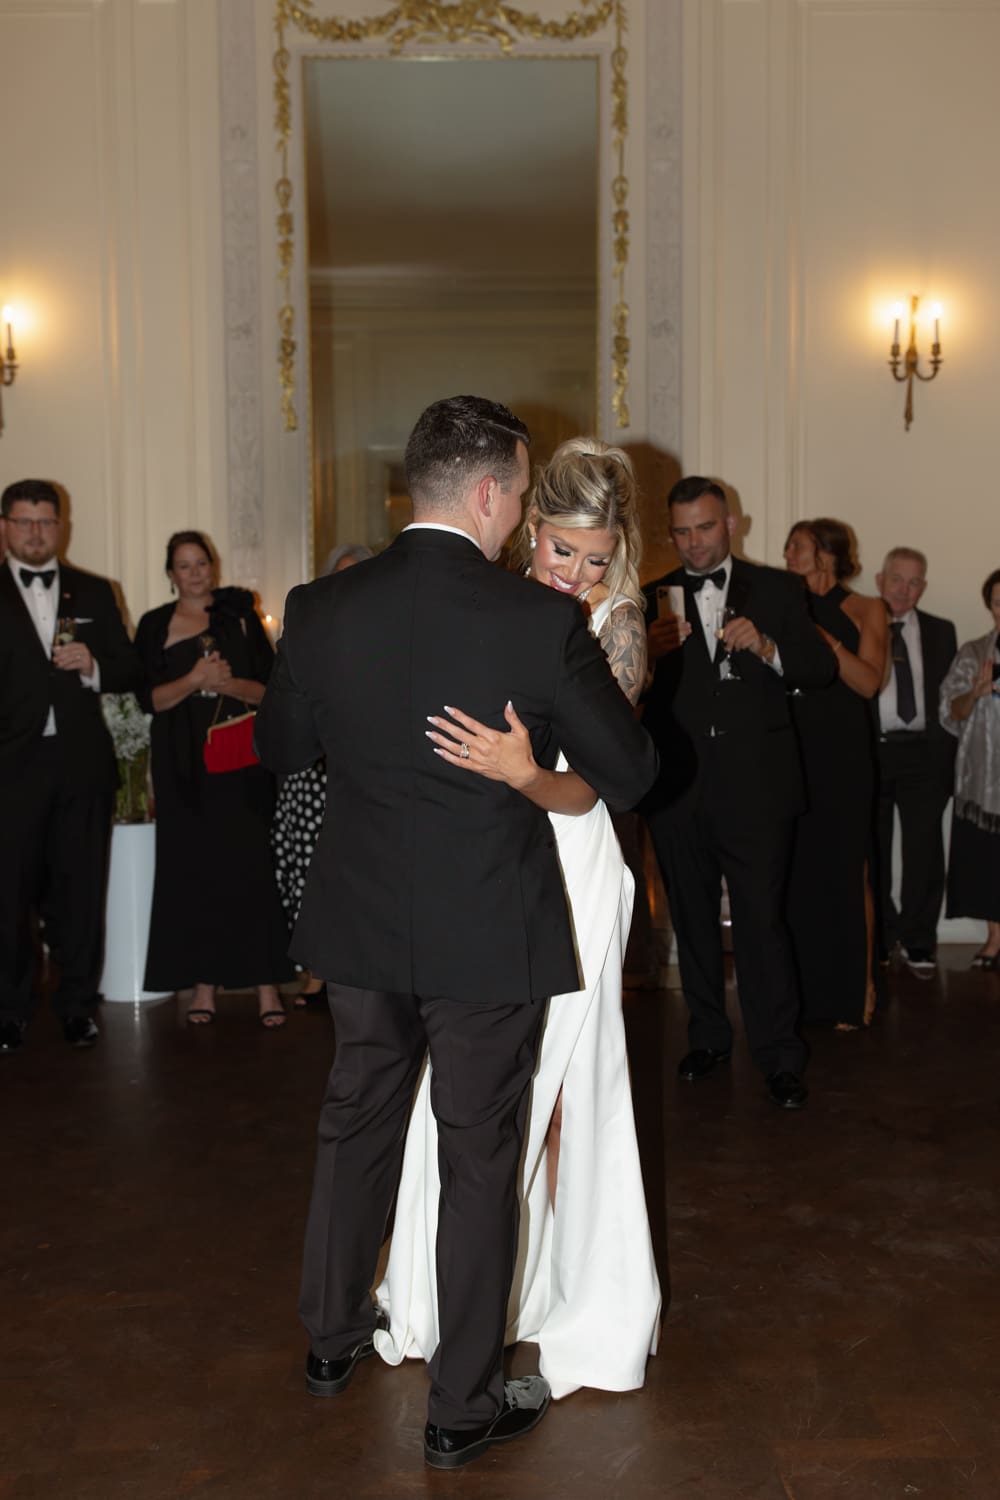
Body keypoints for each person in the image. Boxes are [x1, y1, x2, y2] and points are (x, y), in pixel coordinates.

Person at [254, 396, 657, 1470]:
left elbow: (283, 747)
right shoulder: (535, 625)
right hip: (487, 924)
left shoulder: (319, 605)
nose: (523, 508)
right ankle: (458, 1407)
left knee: (355, 1122)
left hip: (362, 917)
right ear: (488, 494)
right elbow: (631, 776)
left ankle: (332, 1343)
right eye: (523, 492)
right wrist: (530, 768)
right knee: (481, 1154)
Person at [374, 438, 661, 1402]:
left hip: (573, 855)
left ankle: (560, 1294)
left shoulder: (615, 627)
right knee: (479, 1081)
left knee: (566, 1083)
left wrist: (524, 774)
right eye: (560, 553)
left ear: (616, 555)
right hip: (490, 860)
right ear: (528, 533)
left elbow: (604, 782)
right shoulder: (489, 601)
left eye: (595, 557)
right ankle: (465, 1291)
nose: (576, 574)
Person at [641, 478, 834, 1109]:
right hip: (677, 790)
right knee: (693, 923)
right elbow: (618, 697)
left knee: (760, 922)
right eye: (682, 532)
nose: (694, 543)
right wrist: (643, 658)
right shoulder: (649, 599)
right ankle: (709, 1038)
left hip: (756, 788)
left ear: (731, 525)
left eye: (705, 528)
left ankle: (779, 1054)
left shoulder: (778, 588)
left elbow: (818, 670)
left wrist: (770, 648)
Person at [0, 478, 140, 1054]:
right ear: (6, 527)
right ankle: (9, 1011)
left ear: (63, 527)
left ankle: (78, 1006)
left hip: (81, 768)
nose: (36, 533)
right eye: (25, 522)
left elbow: (131, 670)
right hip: (10, 771)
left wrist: (95, 666)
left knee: (81, 894)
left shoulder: (95, 591)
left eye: (46, 522)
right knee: (8, 898)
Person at [135, 532, 293, 1024]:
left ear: (212, 566)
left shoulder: (239, 617)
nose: (195, 573)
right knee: (193, 873)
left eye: (201, 563)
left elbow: (270, 691)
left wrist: (227, 684)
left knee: (250, 871)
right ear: (170, 574)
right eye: (184, 566)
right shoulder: (154, 624)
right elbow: (150, 699)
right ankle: (203, 987)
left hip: (237, 762)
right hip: (181, 765)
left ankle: (268, 988)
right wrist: (194, 680)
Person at [783, 520, 887, 1028]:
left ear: (827, 552)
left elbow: (869, 683)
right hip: (792, 750)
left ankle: (857, 990)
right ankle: (804, 995)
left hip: (844, 756)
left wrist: (826, 642)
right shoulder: (786, 607)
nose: (787, 553)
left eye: (797, 545)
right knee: (798, 875)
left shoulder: (867, 608)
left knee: (849, 873)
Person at [271, 542, 373, 1006]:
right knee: (311, 876)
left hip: (367, 784)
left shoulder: (387, 639)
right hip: (313, 778)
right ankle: (316, 973)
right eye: (341, 576)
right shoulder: (314, 636)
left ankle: (349, 974)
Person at [874, 547, 957, 977]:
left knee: (924, 853)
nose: (904, 590)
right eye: (897, 579)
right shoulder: (861, 625)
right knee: (875, 849)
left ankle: (920, 941)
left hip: (924, 755)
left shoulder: (943, 631)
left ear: (922, 587)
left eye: (913, 582)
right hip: (874, 751)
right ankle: (883, 938)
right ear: (879, 580)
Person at [939, 569, 1000, 967]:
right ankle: (995, 939)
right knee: (989, 859)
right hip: (984, 778)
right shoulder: (973, 653)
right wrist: (976, 692)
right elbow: (950, 712)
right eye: (999, 602)